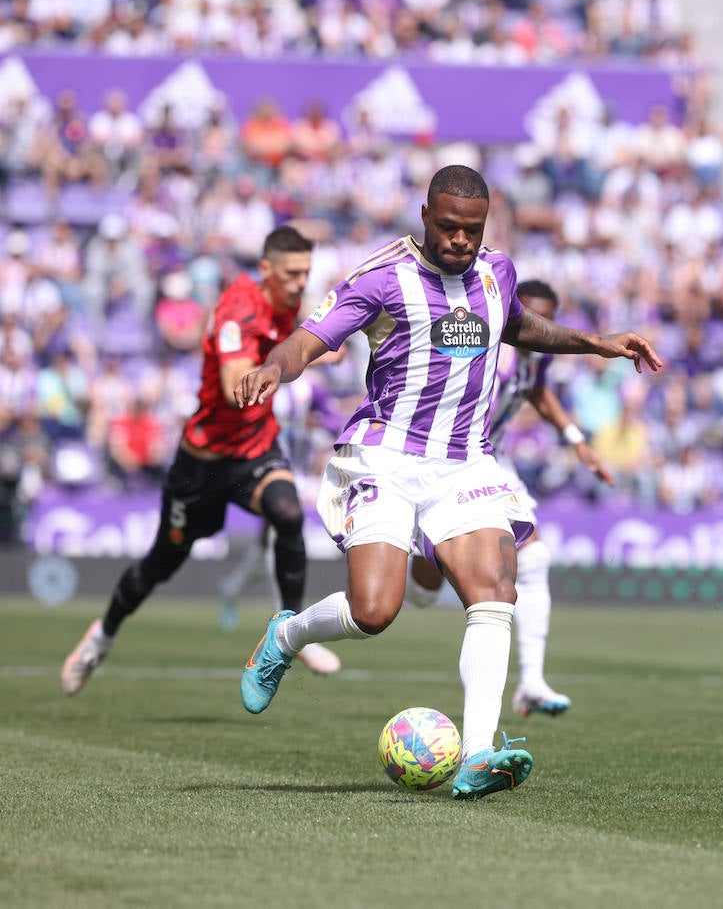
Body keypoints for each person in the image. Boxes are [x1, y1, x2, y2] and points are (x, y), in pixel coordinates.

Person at [233, 166, 661, 801]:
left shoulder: (497, 271)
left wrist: (596, 343)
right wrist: (274, 366)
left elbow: (518, 326)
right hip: (385, 457)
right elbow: (311, 339)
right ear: (425, 214)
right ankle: (286, 635)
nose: (461, 240)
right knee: (375, 611)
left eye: (473, 229)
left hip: (465, 461)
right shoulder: (380, 276)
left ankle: (481, 751)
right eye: (449, 227)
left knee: (494, 592)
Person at [61, 227, 342, 696]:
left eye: (306, 274)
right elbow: (238, 390)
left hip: (255, 448)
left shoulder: (293, 305)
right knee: (161, 565)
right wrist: (308, 361)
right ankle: (101, 637)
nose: (300, 284)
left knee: (289, 514)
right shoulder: (237, 308)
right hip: (203, 463)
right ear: (267, 269)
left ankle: (289, 634)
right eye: (292, 274)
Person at [402, 278, 614, 719]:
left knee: (534, 559)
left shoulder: (534, 358)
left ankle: (532, 682)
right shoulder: (486, 354)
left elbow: (535, 391)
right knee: (423, 590)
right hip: (449, 460)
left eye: (545, 319)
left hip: (493, 461)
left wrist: (576, 439)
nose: (535, 326)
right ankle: (419, 555)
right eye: (529, 316)